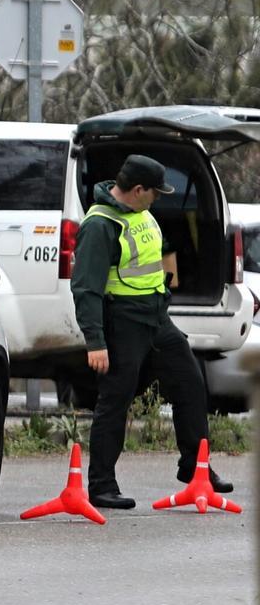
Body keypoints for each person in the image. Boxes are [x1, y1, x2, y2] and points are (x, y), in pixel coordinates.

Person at [71, 154, 233, 510]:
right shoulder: (100, 224)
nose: (158, 198)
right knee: (116, 399)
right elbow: (86, 288)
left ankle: (195, 468)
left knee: (190, 383)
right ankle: (101, 485)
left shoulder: (141, 213)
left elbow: (153, 259)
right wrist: (95, 341)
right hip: (123, 321)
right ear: (138, 189)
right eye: (154, 192)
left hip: (156, 316)